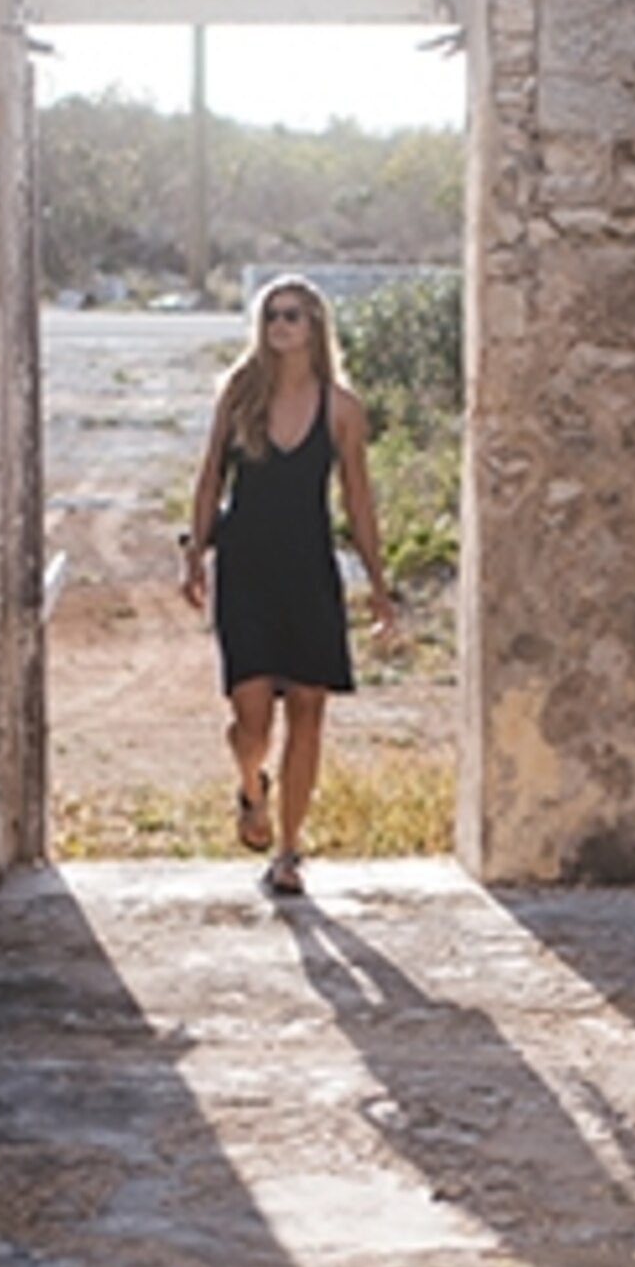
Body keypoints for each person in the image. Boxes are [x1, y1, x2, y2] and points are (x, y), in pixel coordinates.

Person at [178, 274, 396, 896]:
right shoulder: (240, 394)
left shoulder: (341, 408)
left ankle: (289, 852)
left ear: (315, 327)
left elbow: (358, 500)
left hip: (308, 573)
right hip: (244, 570)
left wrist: (378, 587)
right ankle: (252, 787)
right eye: (272, 314)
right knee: (251, 721)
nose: (281, 325)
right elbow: (208, 480)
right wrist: (195, 555)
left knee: (308, 712)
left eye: (293, 315)